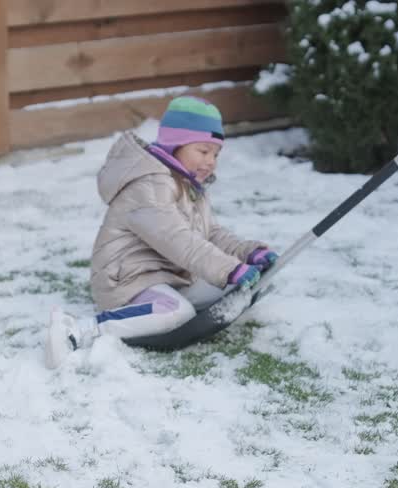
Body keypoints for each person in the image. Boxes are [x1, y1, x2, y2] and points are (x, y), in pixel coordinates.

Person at [43, 96, 278, 369]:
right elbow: (177, 239)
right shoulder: (149, 185)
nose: (211, 161)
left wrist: (247, 253)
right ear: (175, 144)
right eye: (203, 151)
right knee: (177, 311)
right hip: (128, 280)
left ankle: (161, 308)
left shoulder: (188, 185)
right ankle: (82, 329)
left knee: (236, 285)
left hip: (167, 275)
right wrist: (228, 268)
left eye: (216, 154)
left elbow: (211, 233)